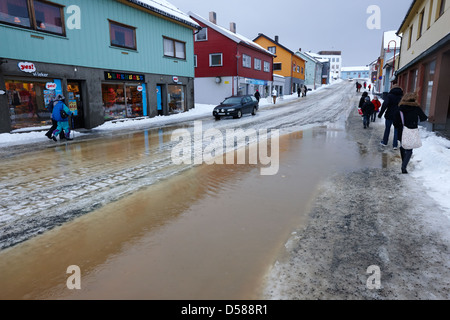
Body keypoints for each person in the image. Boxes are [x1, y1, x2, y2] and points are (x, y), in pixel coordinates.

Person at [393, 92, 428, 174]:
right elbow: (423, 118)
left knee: (403, 146)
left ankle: (403, 162)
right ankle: (404, 166)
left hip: (402, 130)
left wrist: (399, 126)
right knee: (409, 149)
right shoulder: (416, 108)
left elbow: (395, 121)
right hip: (412, 130)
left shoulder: (400, 108)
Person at [378, 85, 404, 150]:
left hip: (389, 114)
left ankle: (384, 142)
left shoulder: (389, 96)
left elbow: (384, 105)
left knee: (387, 128)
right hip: (398, 116)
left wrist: (380, 114)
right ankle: (395, 145)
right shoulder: (402, 97)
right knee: (396, 130)